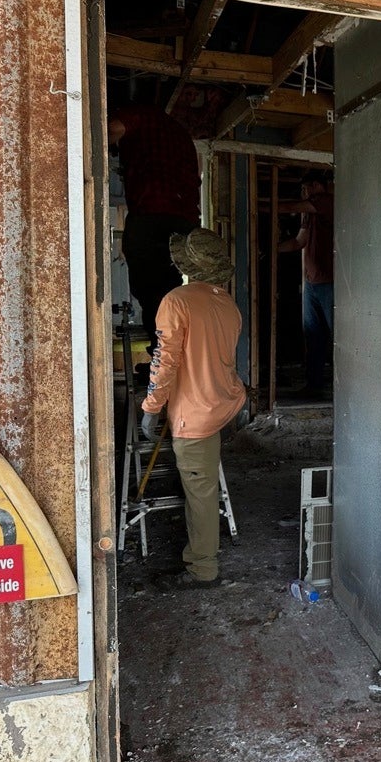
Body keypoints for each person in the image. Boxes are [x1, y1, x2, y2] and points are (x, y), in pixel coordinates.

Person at [141, 228, 246, 591]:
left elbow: (164, 361)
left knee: (200, 494)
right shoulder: (227, 304)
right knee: (203, 486)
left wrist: (151, 407)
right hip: (221, 404)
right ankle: (201, 559)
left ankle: (203, 569)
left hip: (194, 413)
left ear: (185, 264)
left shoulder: (177, 301)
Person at [109, 104, 201, 347]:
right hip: (184, 219)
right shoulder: (179, 132)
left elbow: (112, 128)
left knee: (150, 288)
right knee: (168, 284)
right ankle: (173, 352)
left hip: (153, 211)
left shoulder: (142, 114)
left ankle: (163, 357)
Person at [275, 173, 335, 397]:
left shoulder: (325, 201)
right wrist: (274, 248)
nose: (304, 194)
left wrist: (266, 205)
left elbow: (289, 205)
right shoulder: (309, 216)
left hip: (330, 282)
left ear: (317, 185)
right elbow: (299, 242)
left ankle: (344, 389)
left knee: (336, 336)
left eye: (305, 189)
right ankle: (314, 385)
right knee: (313, 335)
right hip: (312, 283)